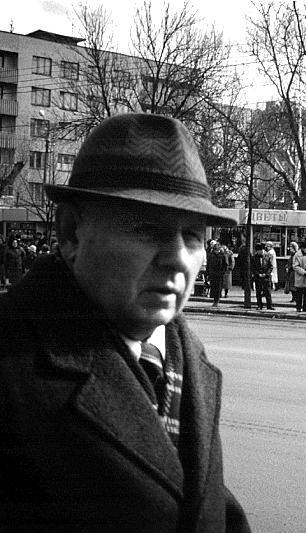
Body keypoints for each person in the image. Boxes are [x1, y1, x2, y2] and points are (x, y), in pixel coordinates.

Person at [0, 113, 249, 532]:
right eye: (147, 228)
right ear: (71, 233)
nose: (178, 258)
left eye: (192, 235)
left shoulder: (189, 360)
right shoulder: (12, 358)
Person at [252, 242, 275, 310]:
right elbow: (253, 267)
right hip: (258, 277)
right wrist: (257, 274)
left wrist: (266, 274)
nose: (259, 252)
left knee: (267, 291)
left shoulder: (268, 255)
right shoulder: (254, 257)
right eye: (258, 251)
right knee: (258, 292)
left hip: (266, 277)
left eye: (260, 251)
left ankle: (269, 305)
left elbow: (271, 266)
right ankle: (259, 305)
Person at [292, 241, 306, 312]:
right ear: (302, 248)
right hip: (300, 276)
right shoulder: (297, 255)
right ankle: (298, 307)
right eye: (305, 248)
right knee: (299, 293)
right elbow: (295, 266)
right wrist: (304, 272)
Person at [206, 240, 228, 307]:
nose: (216, 251)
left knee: (218, 288)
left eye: (217, 250)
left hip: (219, 274)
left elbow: (225, 264)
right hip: (212, 274)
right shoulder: (211, 255)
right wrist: (208, 273)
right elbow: (208, 264)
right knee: (213, 287)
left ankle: (216, 301)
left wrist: (223, 272)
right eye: (215, 250)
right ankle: (214, 300)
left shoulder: (222, 255)